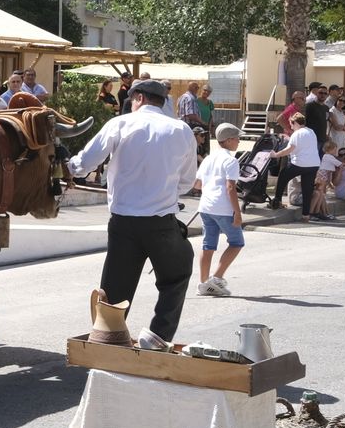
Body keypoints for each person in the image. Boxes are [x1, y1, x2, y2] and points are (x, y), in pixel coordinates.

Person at [70, 79, 198, 350]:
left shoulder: (120, 124)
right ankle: (158, 335)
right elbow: (187, 182)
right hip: (161, 222)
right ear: (162, 101)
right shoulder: (181, 130)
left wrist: (66, 167)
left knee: (116, 288)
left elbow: (84, 164)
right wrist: (162, 191)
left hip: (123, 222)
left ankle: (107, 339)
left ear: (138, 97)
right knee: (177, 275)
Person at [194, 122, 246, 297]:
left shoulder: (208, 158)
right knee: (237, 242)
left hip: (206, 206)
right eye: (237, 138)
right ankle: (216, 278)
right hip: (223, 208)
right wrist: (237, 212)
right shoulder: (231, 160)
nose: (239, 141)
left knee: (208, 245)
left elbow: (198, 184)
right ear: (229, 140)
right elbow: (230, 188)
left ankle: (203, 283)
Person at [271, 112, 323, 220]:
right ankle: (305, 215)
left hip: (300, 163)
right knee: (307, 189)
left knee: (283, 175)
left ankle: (277, 201)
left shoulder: (297, 133)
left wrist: (275, 155)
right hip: (313, 164)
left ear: (295, 123)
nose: (291, 127)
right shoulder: (311, 131)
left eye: (291, 124)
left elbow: (289, 149)